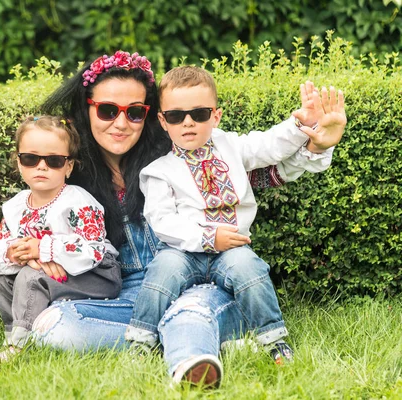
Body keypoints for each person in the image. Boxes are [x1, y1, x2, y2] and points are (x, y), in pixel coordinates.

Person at [30, 50, 346, 387]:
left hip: (205, 284)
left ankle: (188, 350)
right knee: (56, 324)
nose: (120, 123)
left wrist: (315, 146)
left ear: (152, 116)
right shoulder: (67, 173)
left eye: (135, 113)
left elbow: (260, 174)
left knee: (191, 310)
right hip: (135, 297)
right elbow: (36, 221)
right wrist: (39, 249)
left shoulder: (179, 154)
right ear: (88, 108)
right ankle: (189, 333)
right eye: (108, 110)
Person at [123, 66, 346, 371]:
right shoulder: (158, 170)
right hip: (183, 252)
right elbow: (162, 221)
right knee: (162, 270)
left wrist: (299, 124)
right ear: (163, 121)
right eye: (176, 116)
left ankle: (273, 340)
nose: (188, 122)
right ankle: (141, 339)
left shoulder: (230, 146)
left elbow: (267, 145)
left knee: (250, 269)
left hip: (232, 249)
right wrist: (207, 237)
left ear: (216, 116)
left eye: (199, 114)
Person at [0, 116, 122, 362]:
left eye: (54, 161)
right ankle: (17, 333)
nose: (41, 167)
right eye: (31, 158)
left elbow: (93, 249)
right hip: (49, 276)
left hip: (97, 275)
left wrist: (45, 248)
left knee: (31, 277)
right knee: (1, 279)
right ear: (19, 162)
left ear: (68, 167)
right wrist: (16, 253)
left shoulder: (77, 202)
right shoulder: (15, 207)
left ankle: (19, 348)